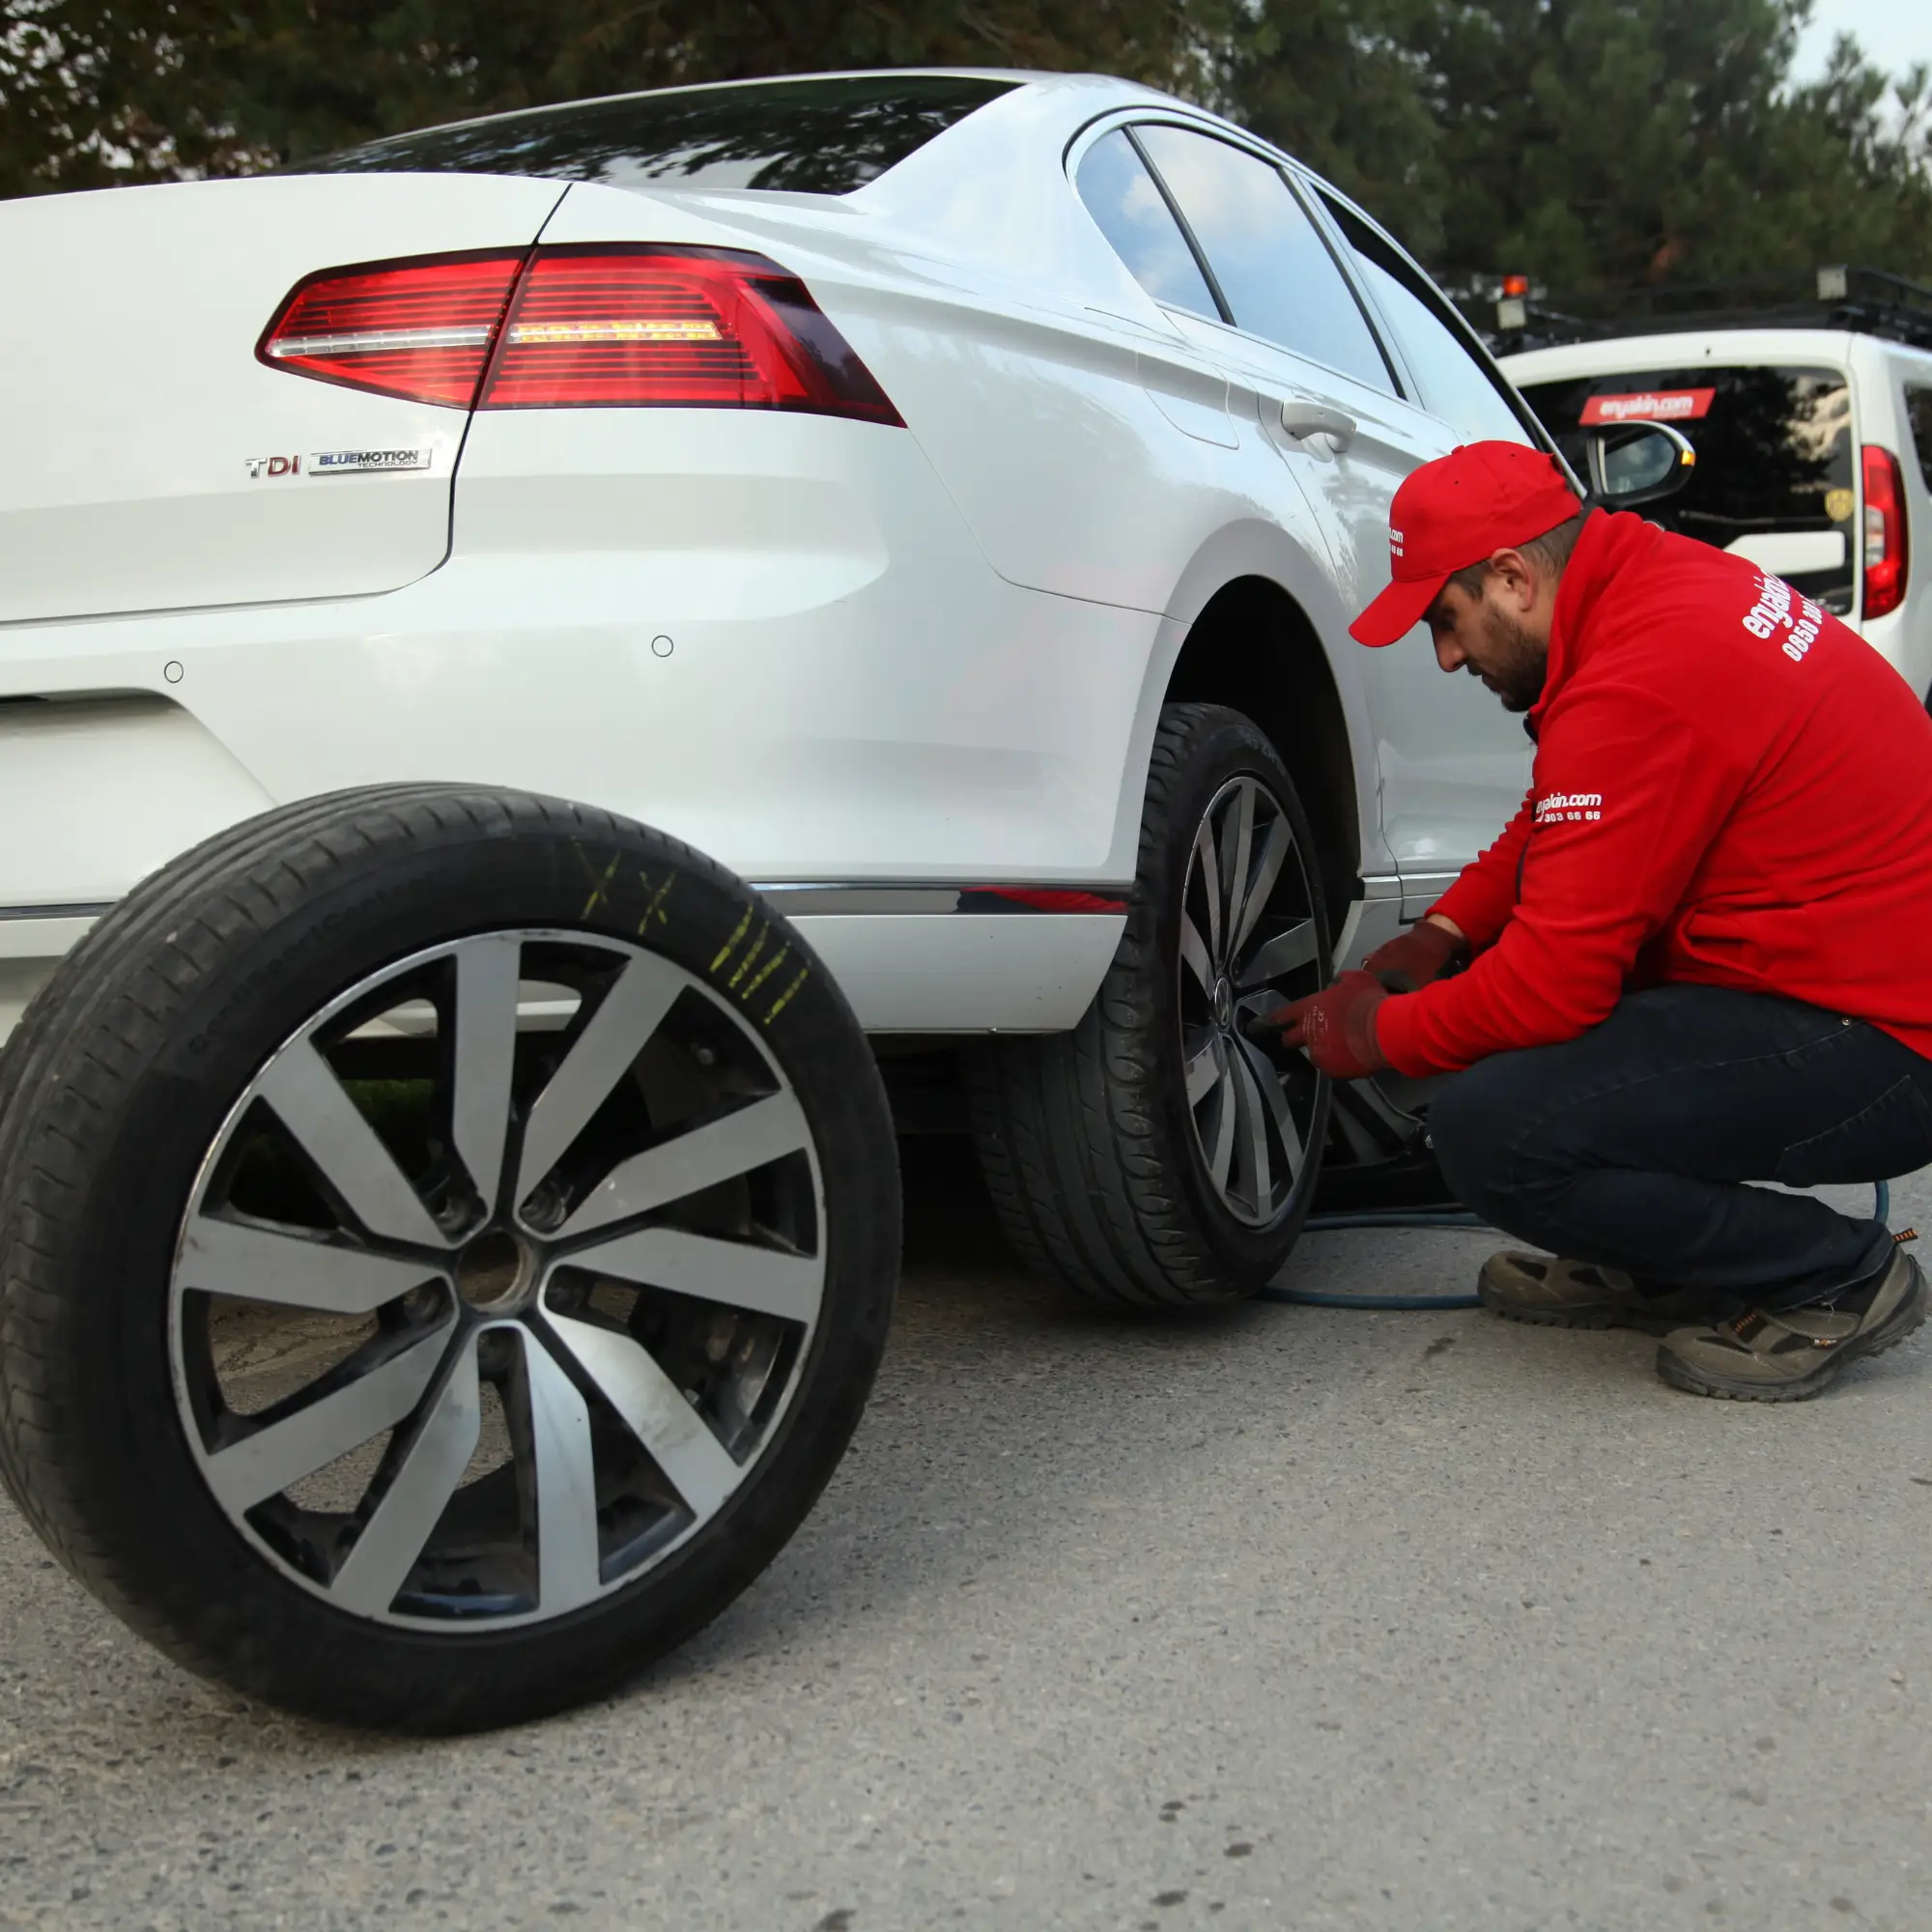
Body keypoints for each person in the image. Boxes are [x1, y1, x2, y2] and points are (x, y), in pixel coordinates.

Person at [1273, 440, 1932, 1400]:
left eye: (1445, 621)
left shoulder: (1639, 675)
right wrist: (1443, 934)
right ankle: (1660, 1260)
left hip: (1882, 1045)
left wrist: (1372, 1032)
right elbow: (1563, 808)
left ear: (1510, 578)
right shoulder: (1655, 582)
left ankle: (1829, 1274)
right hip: (1848, 985)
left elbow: (1549, 988)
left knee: (1492, 1127)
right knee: (1530, 1039)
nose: (1446, 654)